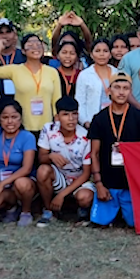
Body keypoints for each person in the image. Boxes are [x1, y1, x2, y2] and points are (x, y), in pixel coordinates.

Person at [89, 72, 140, 228]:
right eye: (117, 87)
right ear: (109, 91)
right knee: (100, 222)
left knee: (135, 223)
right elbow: (94, 153)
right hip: (108, 182)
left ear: (131, 91)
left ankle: (124, 211)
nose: (121, 92)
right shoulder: (100, 118)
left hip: (131, 182)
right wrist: (99, 184)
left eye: (125, 88)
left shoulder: (139, 117)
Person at [36, 97, 95, 227]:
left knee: (85, 197)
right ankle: (49, 211)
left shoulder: (85, 136)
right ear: (57, 117)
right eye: (65, 114)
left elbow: (86, 174)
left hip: (79, 179)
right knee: (42, 170)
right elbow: (41, 158)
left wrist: (61, 195)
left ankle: (82, 211)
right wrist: (51, 156)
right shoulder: (49, 129)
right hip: (61, 176)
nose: (71, 119)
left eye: (74, 114)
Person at [0, 34, 62, 135]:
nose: (35, 48)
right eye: (30, 45)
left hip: (47, 125)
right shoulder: (15, 69)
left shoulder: (52, 71)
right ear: (23, 50)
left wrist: (57, 122)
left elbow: (56, 99)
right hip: (23, 125)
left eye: (38, 45)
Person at [0, 100, 37, 227]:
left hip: (25, 181)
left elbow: (27, 168)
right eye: (5, 117)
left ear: (20, 119)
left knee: (21, 183)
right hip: (5, 185)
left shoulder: (27, 137)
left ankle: (26, 212)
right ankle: (12, 208)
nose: (10, 121)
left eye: (14, 117)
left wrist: (2, 184)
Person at [76, 38, 118, 129]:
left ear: (110, 54)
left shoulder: (117, 73)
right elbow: (80, 101)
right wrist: (85, 122)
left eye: (105, 51)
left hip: (115, 121)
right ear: (91, 54)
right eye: (98, 51)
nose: (101, 54)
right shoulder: (84, 75)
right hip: (92, 122)